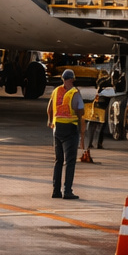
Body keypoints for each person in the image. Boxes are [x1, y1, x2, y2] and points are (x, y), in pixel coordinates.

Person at [47, 68, 85, 200]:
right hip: (70, 129)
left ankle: (56, 191)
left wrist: (51, 121)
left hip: (57, 129)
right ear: (72, 79)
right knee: (70, 162)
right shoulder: (74, 93)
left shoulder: (56, 91)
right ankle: (67, 191)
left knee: (58, 161)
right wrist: (79, 117)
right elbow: (80, 110)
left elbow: (49, 108)